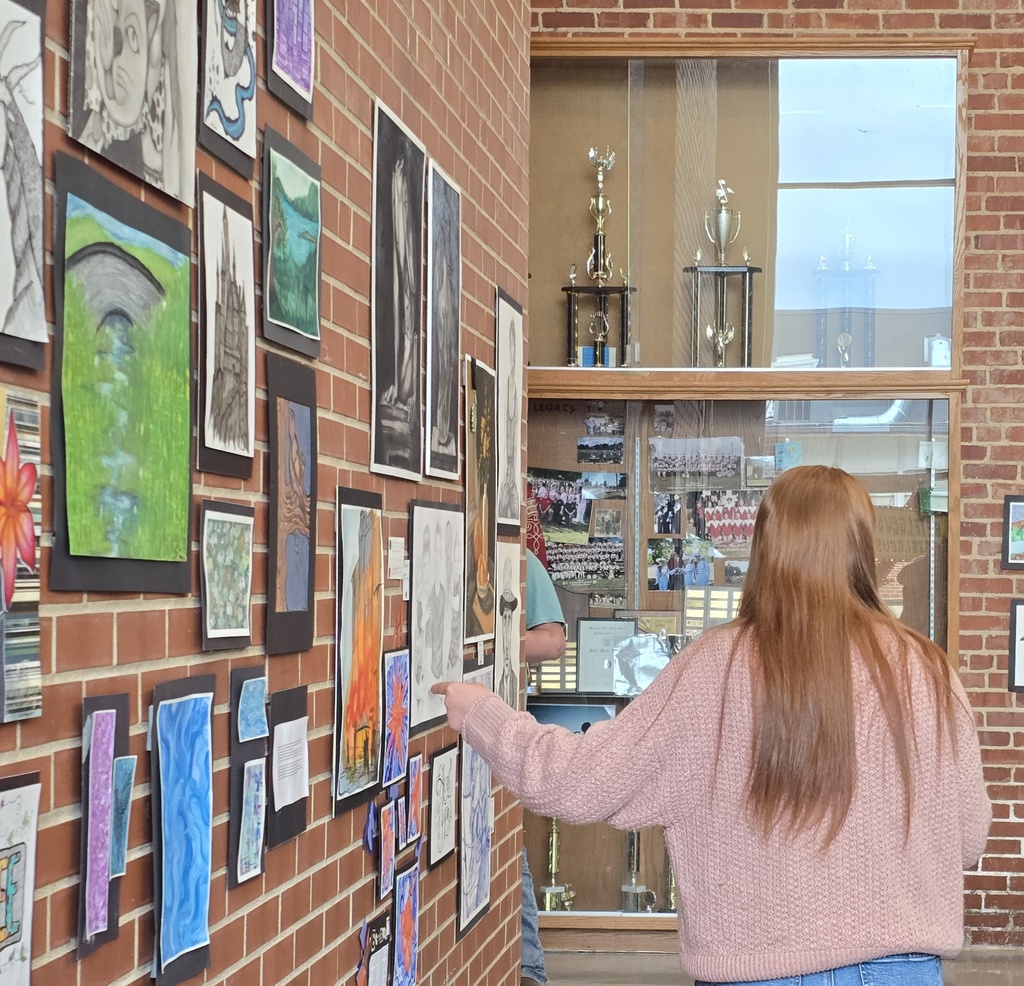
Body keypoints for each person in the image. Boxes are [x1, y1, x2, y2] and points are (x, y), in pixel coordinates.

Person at [433, 466, 990, 986]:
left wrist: (483, 714)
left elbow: (581, 779)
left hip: (757, 970)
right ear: (862, 548)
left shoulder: (714, 669)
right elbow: (969, 837)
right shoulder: (928, 670)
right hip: (907, 970)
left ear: (765, 548)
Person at [518, 547, 566, 986]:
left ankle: (529, 967)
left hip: (495, 724)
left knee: (509, 848)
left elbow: (553, 639)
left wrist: (488, 636)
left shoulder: (517, 556)